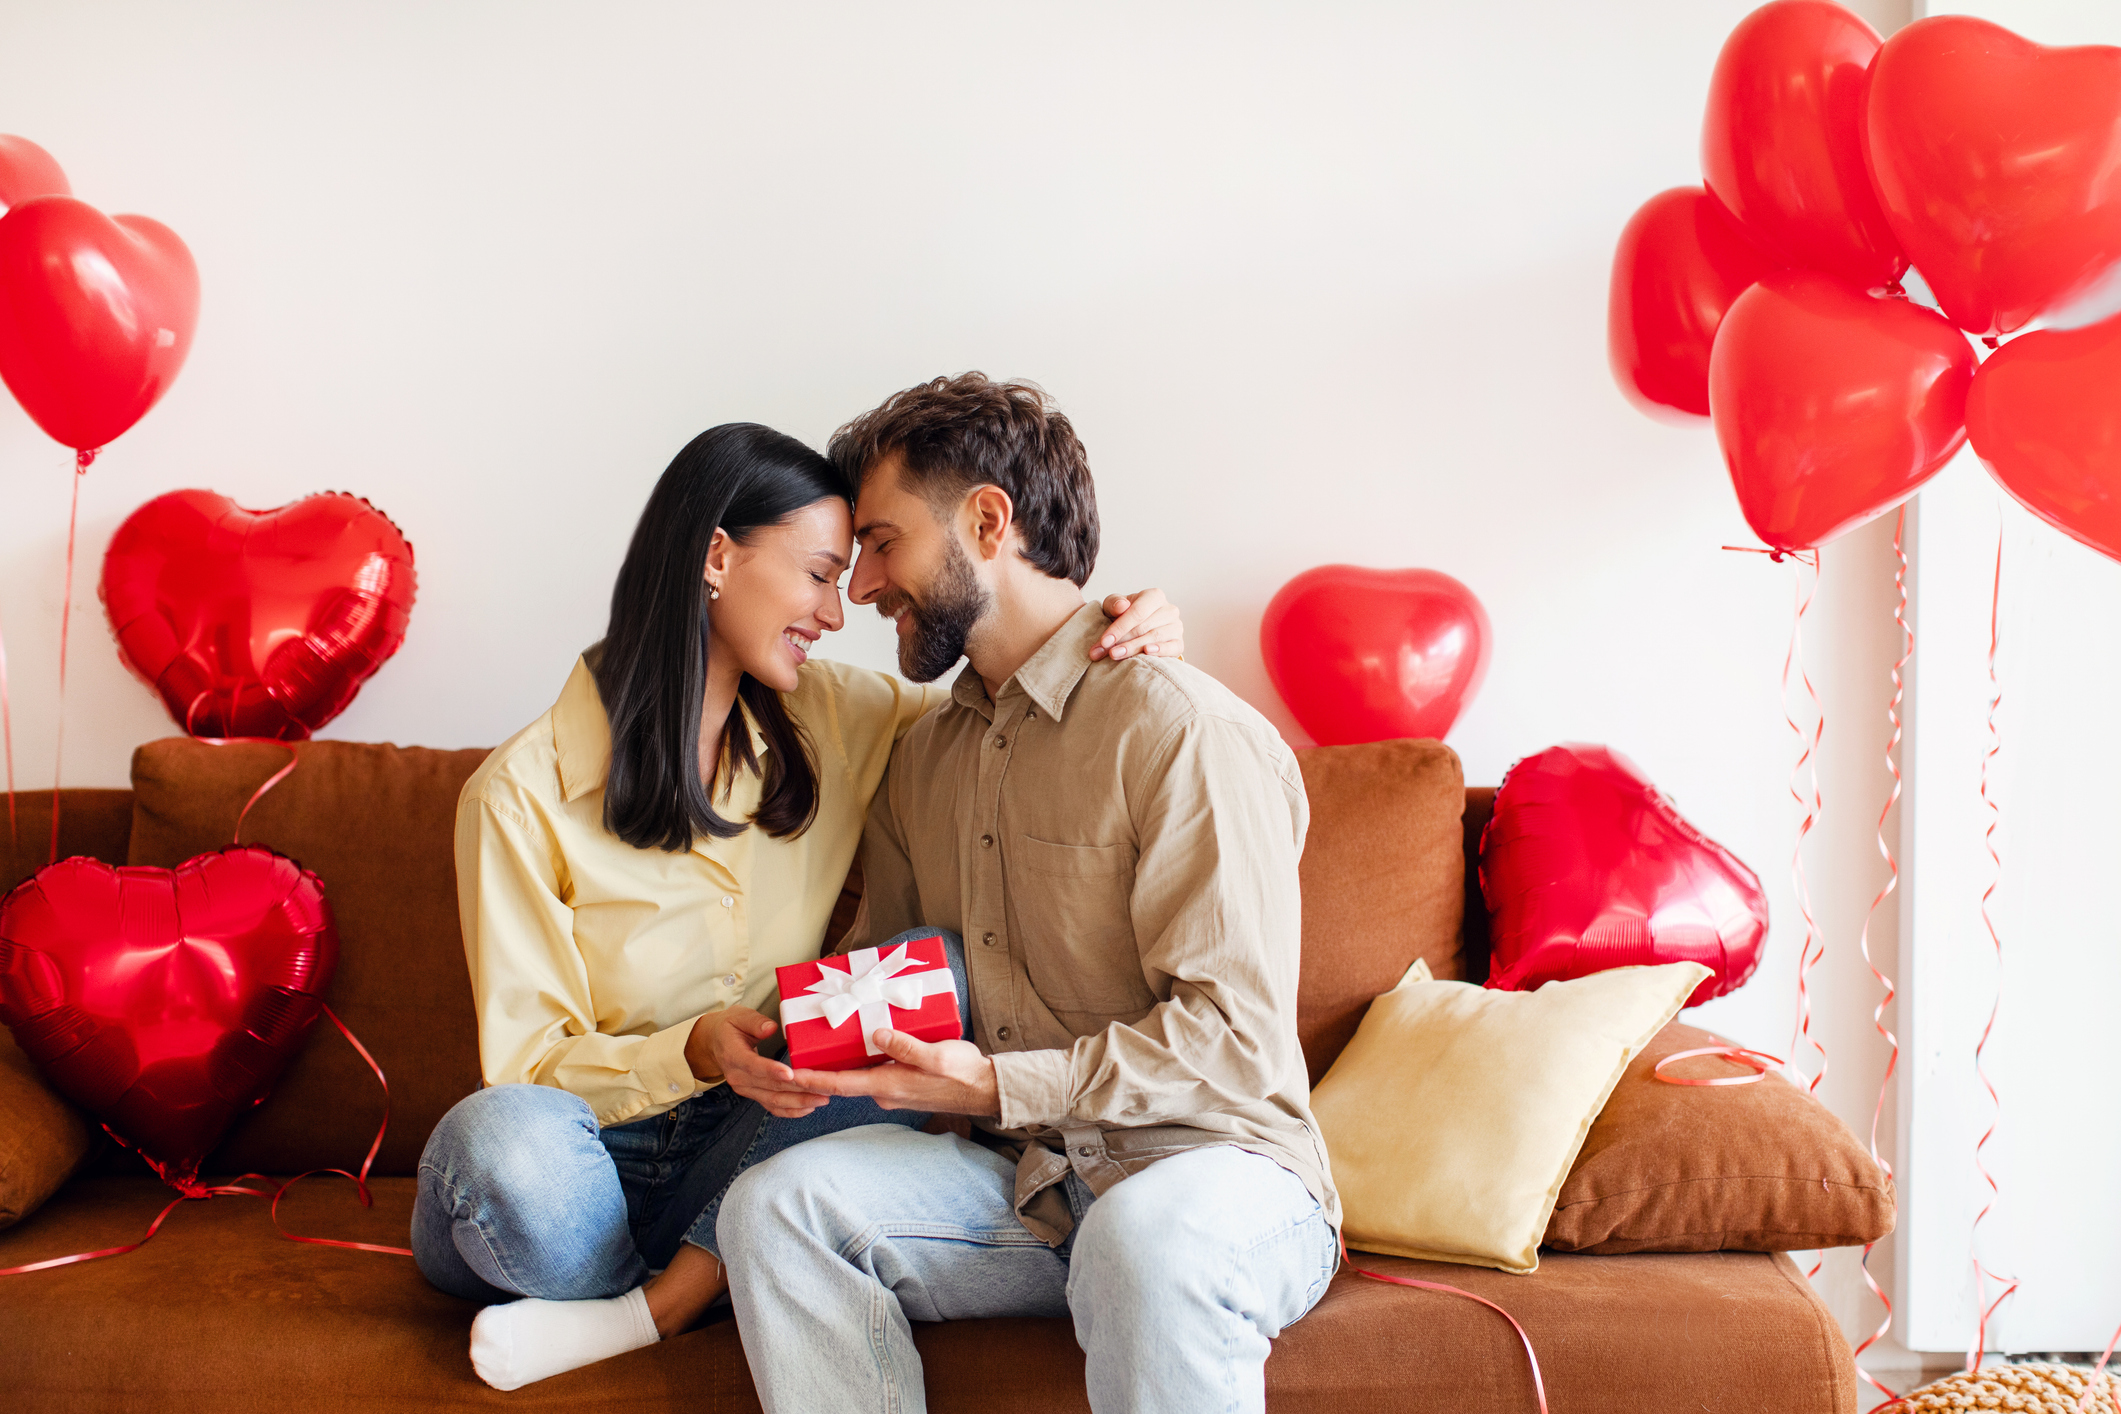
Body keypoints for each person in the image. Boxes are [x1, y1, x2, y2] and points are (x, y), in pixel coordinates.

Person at [413, 420, 1186, 1391]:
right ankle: (669, 1284)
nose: (840, 606)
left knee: (930, 973)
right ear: (716, 554)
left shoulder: (838, 718)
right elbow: (526, 1067)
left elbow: (1011, 701)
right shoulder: (520, 792)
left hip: (760, 1143)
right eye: (820, 572)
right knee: (495, 1146)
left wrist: (1123, 629)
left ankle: (660, 1308)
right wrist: (691, 1046)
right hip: (583, 1172)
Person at [713, 374, 1339, 1414]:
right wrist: (771, 1040)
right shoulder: (925, 759)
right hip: (1031, 1185)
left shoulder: (1175, 728)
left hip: (1214, 1170)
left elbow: (1236, 1039)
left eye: (881, 541)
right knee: (777, 1208)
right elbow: (893, 986)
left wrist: (1000, 1088)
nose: (860, 587)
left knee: (1144, 1243)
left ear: (988, 521)